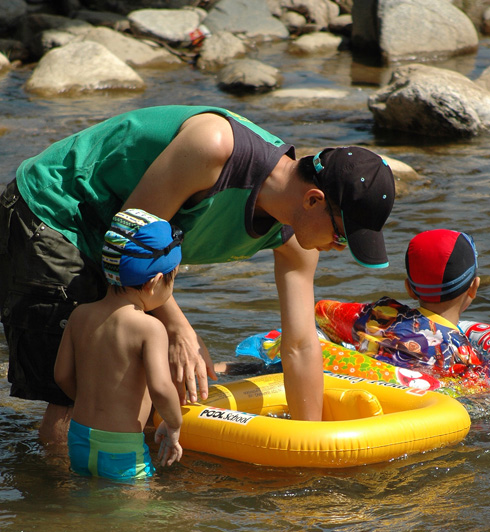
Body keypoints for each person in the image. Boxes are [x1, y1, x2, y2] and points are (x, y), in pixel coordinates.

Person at [0, 105, 395, 443]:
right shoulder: (215, 148)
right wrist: (179, 329)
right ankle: (63, 510)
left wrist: (310, 445)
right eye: (341, 236)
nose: (337, 250)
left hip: (125, 243)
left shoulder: (296, 243)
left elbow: (301, 346)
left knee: (141, 371)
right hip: (57, 213)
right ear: (313, 200)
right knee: (77, 397)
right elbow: (130, 237)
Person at [54, 209, 183, 481]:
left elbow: (62, 375)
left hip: (79, 438)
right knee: (138, 516)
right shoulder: (149, 327)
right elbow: (161, 387)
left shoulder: (80, 315)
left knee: (86, 500)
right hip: (121, 449)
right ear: (155, 282)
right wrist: (174, 424)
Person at [315, 229, 483, 376]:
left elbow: (322, 311)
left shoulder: (379, 313)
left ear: (409, 288)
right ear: (473, 288)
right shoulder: (462, 353)